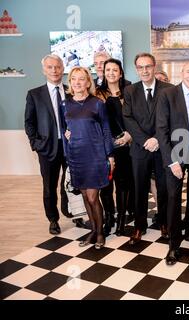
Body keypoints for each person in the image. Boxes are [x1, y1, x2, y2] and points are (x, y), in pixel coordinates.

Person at [156, 61, 189, 265]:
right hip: (175, 156)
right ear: (182, 72)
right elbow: (161, 130)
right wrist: (171, 161)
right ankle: (173, 244)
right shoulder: (168, 95)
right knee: (173, 198)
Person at [60, 66, 114, 249]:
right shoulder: (65, 104)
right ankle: (92, 230)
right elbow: (64, 129)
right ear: (70, 82)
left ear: (88, 82)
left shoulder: (97, 103)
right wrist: (67, 149)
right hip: (76, 156)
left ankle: (100, 233)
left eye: (81, 79)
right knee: (84, 196)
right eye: (74, 79)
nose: (77, 82)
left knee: (92, 197)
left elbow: (107, 131)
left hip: (95, 156)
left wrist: (110, 156)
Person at [123, 53, 173, 244]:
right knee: (140, 188)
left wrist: (157, 139)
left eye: (148, 66)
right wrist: (145, 140)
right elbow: (128, 118)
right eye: (140, 67)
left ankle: (164, 223)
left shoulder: (168, 89)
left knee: (163, 188)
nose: (144, 70)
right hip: (140, 148)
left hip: (162, 148)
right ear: (137, 69)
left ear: (154, 67)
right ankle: (139, 226)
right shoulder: (130, 91)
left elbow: (171, 119)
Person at [24, 54, 71, 235]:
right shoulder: (34, 94)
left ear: (62, 68)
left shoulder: (71, 91)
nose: (54, 70)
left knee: (70, 183)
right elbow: (29, 122)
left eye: (57, 67)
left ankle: (73, 213)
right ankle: (53, 219)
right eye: (50, 67)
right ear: (44, 70)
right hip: (47, 148)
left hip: (71, 147)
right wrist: (36, 144)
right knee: (49, 186)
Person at [96, 58, 133, 236]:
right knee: (106, 185)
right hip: (104, 146)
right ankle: (109, 217)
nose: (111, 73)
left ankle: (121, 221)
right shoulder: (96, 93)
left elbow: (137, 116)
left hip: (124, 145)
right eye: (107, 69)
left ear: (120, 72)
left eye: (115, 70)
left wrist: (129, 135)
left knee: (123, 184)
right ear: (103, 72)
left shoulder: (129, 91)